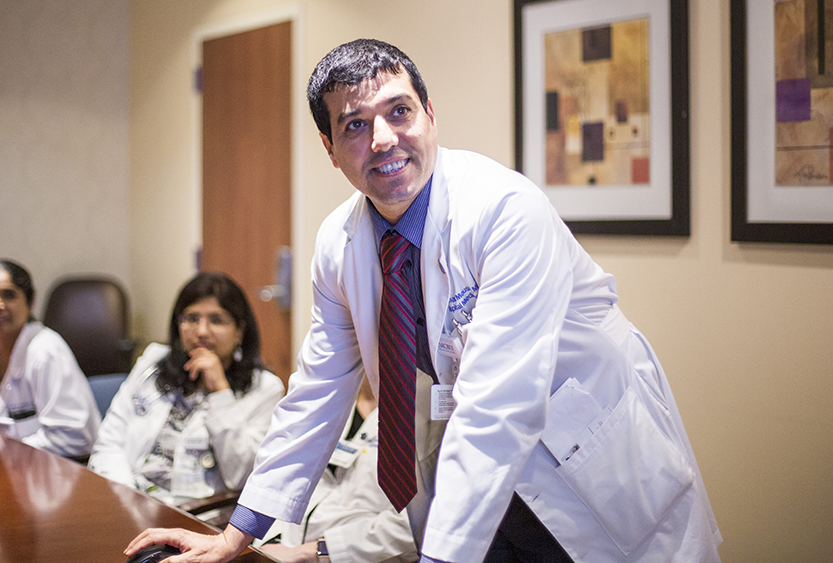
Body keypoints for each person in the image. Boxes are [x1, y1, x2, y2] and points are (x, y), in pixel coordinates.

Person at [127, 39, 722, 563]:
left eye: (399, 111)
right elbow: (317, 393)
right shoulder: (340, 242)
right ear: (331, 147)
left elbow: (496, 406)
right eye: (354, 124)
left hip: (597, 477)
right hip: (479, 493)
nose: (382, 139)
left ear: (431, 115)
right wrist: (238, 534)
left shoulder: (505, 211)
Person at [89, 272, 284, 507]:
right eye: (191, 318)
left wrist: (220, 392)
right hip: (127, 499)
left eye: (217, 320)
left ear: (240, 331)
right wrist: (128, 499)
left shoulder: (264, 389)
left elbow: (240, 476)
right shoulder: (153, 360)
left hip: (194, 517)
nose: (201, 331)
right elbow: (109, 442)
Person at [254, 380, 417, 563]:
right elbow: (285, 477)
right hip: (279, 544)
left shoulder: (420, 417)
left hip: (347, 557)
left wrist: (319, 551)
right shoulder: (329, 398)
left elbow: (415, 524)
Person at [0, 258, 100, 457]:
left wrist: (6, 452)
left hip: (49, 473)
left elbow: (75, 439)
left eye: (9, 295)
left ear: (30, 302)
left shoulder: (46, 351)